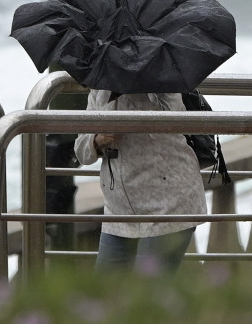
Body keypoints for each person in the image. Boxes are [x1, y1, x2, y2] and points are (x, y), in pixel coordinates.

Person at [75, 89, 207, 273]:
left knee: (149, 287)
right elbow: (81, 151)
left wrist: (136, 111)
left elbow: (172, 122)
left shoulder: (163, 86)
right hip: (119, 211)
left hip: (168, 205)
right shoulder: (100, 90)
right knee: (105, 288)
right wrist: (97, 140)